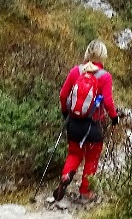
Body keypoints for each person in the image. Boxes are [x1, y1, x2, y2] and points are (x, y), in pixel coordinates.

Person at [51, 39, 120, 206]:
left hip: (74, 122)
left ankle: (66, 176)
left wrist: (65, 112)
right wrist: (114, 117)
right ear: (103, 56)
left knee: (74, 154)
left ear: (87, 53)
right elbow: (109, 102)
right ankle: (85, 192)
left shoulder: (76, 71)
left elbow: (62, 94)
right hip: (93, 126)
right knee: (92, 158)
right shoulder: (105, 76)